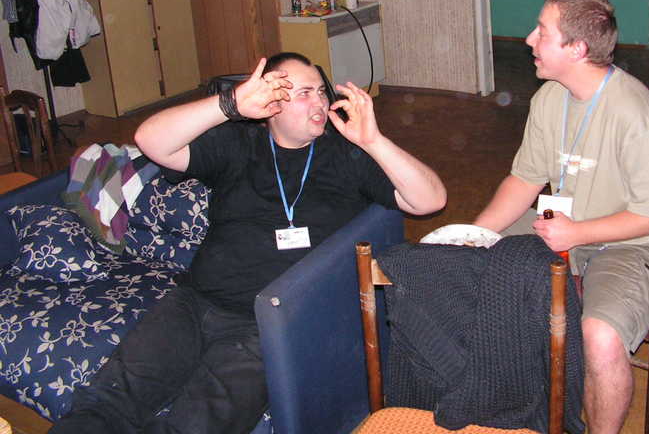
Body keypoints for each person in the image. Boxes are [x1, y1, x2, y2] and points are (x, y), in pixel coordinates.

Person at [51, 52, 447, 434]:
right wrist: (231, 104)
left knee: (194, 425)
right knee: (107, 401)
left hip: (265, 324)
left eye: (320, 91)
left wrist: (373, 140)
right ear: (272, 104)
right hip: (193, 302)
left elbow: (431, 200)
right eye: (304, 93)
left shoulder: (347, 155)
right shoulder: (238, 143)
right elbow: (150, 140)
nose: (320, 102)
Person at [473, 0, 649, 434]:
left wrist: (578, 234)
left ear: (577, 49)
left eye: (542, 32)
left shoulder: (637, 115)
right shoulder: (551, 97)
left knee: (600, 336)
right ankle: (511, 408)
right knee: (471, 265)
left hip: (635, 242)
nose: (529, 39)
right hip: (565, 225)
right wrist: (471, 237)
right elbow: (524, 181)